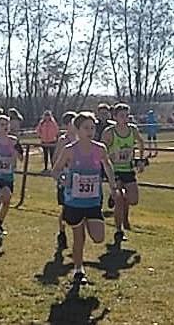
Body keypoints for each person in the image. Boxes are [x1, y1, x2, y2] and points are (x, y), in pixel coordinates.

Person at [52, 112, 116, 291]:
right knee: (78, 238)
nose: (90, 131)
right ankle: (78, 270)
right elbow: (55, 170)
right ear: (77, 130)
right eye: (86, 128)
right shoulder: (70, 150)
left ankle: (87, 224)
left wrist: (113, 187)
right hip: (74, 202)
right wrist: (62, 178)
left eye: (93, 128)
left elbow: (107, 166)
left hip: (93, 201)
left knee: (98, 237)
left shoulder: (100, 148)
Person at [101, 103, 146, 244]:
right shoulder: (109, 132)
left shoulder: (132, 130)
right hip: (114, 170)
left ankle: (116, 197)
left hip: (128, 168)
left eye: (127, 115)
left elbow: (140, 142)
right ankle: (119, 231)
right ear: (115, 117)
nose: (125, 118)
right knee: (120, 200)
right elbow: (100, 148)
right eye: (122, 116)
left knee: (133, 199)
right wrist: (108, 159)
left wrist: (140, 159)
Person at [53, 111, 78, 250]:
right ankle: (62, 233)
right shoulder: (63, 140)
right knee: (65, 207)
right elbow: (55, 159)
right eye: (73, 123)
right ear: (67, 125)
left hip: (79, 178)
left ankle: (77, 236)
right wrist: (60, 175)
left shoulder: (81, 139)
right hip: (66, 176)